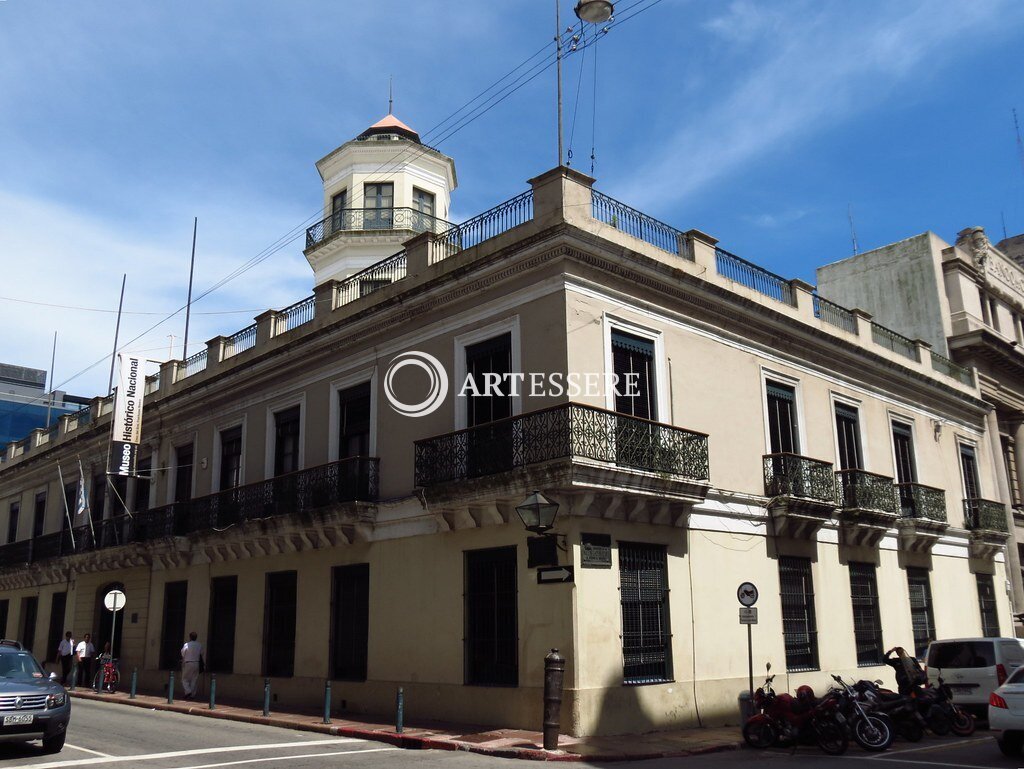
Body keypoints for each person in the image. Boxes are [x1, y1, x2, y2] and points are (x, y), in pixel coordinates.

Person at [180, 632, 202, 700]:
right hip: (196, 663)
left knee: (184, 679)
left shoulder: (187, 644)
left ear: (190, 637)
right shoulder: (199, 645)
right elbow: (202, 653)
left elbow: (183, 653)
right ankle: (192, 695)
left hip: (188, 662)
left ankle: (188, 691)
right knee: (194, 679)